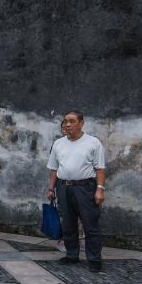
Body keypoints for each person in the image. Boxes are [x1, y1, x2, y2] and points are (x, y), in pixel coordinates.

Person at [46, 110, 107, 272]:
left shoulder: (93, 143)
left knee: (90, 223)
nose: (67, 124)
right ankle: (72, 255)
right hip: (63, 187)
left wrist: (100, 189)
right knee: (68, 223)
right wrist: (51, 188)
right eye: (65, 121)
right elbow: (53, 169)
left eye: (72, 121)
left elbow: (100, 169)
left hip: (85, 188)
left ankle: (94, 259)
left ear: (81, 123)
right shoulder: (58, 144)